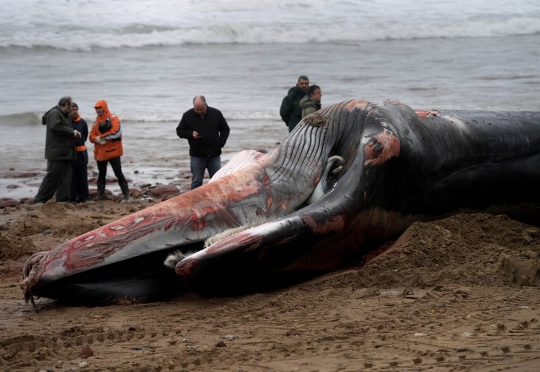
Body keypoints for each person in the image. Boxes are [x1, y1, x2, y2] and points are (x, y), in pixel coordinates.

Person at [176, 95, 230, 190]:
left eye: (201, 109)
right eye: (197, 109)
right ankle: (195, 203)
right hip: (197, 155)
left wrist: (220, 143)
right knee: (196, 182)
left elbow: (225, 129)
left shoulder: (216, 113)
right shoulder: (187, 115)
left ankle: (218, 202)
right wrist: (191, 134)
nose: (200, 111)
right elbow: (179, 131)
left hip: (214, 154)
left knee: (217, 181)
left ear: (206, 104)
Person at [34, 96, 81, 204]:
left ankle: (63, 201)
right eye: (71, 105)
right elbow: (55, 127)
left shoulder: (64, 115)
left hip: (65, 152)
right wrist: (72, 132)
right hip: (57, 152)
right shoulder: (55, 113)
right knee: (52, 176)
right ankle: (40, 199)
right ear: (66, 105)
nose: (72, 107)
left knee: (66, 177)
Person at [89, 99, 130, 201]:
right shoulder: (95, 123)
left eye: (99, 108)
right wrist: (96, 139)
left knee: (118, 173)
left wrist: (101, 137)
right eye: (96, 109)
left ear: (104, 107)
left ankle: (127, 195)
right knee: (101, 174)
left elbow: (115, 132)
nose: (98, 110)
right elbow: (91, 136)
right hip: (101, 153)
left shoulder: (114, 118)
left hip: (113, 152)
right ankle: (100, 195)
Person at [69, 102, 90, 203]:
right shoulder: (67, 123)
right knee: (72, 178)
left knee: (82, 177)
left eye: (76, 109)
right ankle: (72, 198)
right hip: (71, 155)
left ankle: (84, 197)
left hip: (82, 153)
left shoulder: (82, 122)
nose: (75, 111)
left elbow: (85, 135)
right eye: (73, 109)